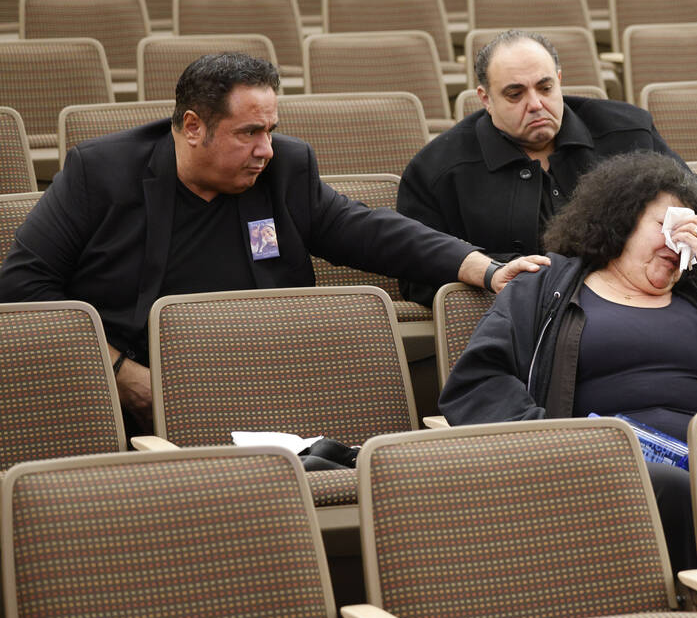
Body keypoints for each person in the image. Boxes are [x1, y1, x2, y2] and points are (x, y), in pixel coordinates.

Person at [0, 52, 547, 433]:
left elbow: (364, 230)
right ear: (193, 126)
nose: (266, 148)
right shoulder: (102, 172)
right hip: (138, 382)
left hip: (262, 371)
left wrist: (481, 267)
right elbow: (22, 283)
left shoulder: (284, 167)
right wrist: (120, 373)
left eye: (270, 129)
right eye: (248, 133)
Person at [439, 153, 697, 570]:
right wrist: (570, 445)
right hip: (596, 469)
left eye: (690, 232)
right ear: (621, 220)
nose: (677, 241)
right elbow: (476, 383)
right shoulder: (546, 287)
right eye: (666, 226)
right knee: (671, 487)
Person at [394, 29, 697, 306]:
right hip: (530, 315)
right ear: (485, 98)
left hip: (654, 299)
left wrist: (672, 254)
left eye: (545, 88)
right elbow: (417, 276)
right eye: (515, 94)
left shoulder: (627, 129)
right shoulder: (437, 170)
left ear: (559, 79)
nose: (535, 104)